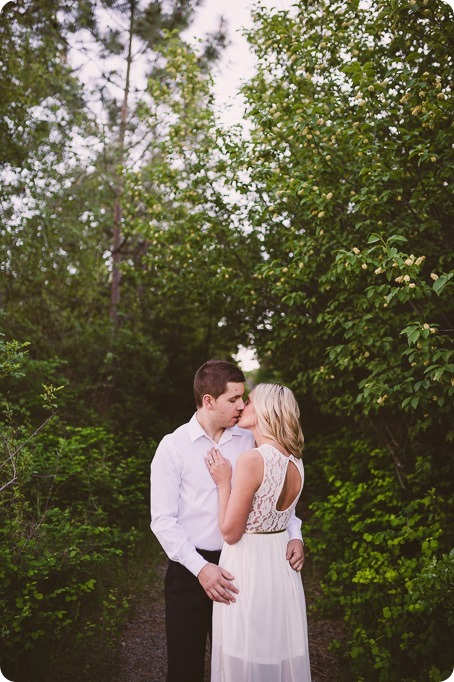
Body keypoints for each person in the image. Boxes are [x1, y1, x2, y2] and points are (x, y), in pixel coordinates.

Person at [150, 360, 304, 682]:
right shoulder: (173, 447)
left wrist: (295, 533)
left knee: (236, 664)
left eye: (243, 398)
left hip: (242, 569)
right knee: (184, 669)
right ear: (209, 401)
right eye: (233, 399)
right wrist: (201, 568)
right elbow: (162, 521)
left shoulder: (251, 441)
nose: (241, 405)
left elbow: (274, 500)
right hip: (191, 571)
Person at [206, 382, 311, 682]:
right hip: (281, 569)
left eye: (250, 402)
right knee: (277, 652)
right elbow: (285, 515)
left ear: (265, 410)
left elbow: (230, 532)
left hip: (249, 567)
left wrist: (223, 481)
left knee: (244, 656)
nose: (243, 406)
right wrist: (296, 536)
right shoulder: (296, 459)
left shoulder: (253, 460)